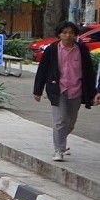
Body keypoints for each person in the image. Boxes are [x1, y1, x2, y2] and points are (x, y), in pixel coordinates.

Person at [33, 21, 97, 162]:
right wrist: (37, 90)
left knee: (70, 122)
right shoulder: (51, 50)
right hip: (58, 89)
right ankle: (59, 150)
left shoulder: (81, 49)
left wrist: (93, 92)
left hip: (76, 89)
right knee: (60, 120)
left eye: (71, 33)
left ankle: (61, 139)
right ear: (59, 35)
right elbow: (42, 70)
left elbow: (89, 71)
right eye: (64, 33)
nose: (68, 36)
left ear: (75, 35)